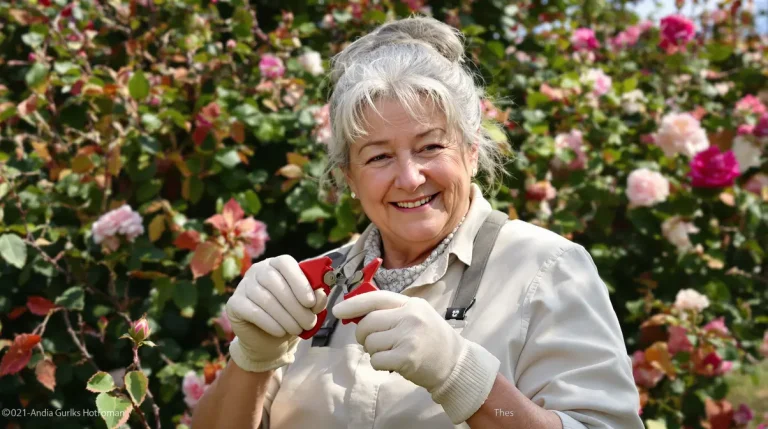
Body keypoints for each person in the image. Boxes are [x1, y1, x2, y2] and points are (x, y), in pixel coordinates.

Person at [192, 16, 643, 429]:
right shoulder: (305, 293)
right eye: (379, 156)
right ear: (349, 176)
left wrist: (462, 377)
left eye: (430, 147)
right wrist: (252, 358)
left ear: (470, 151)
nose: (409, 178)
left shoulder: (547, 268)